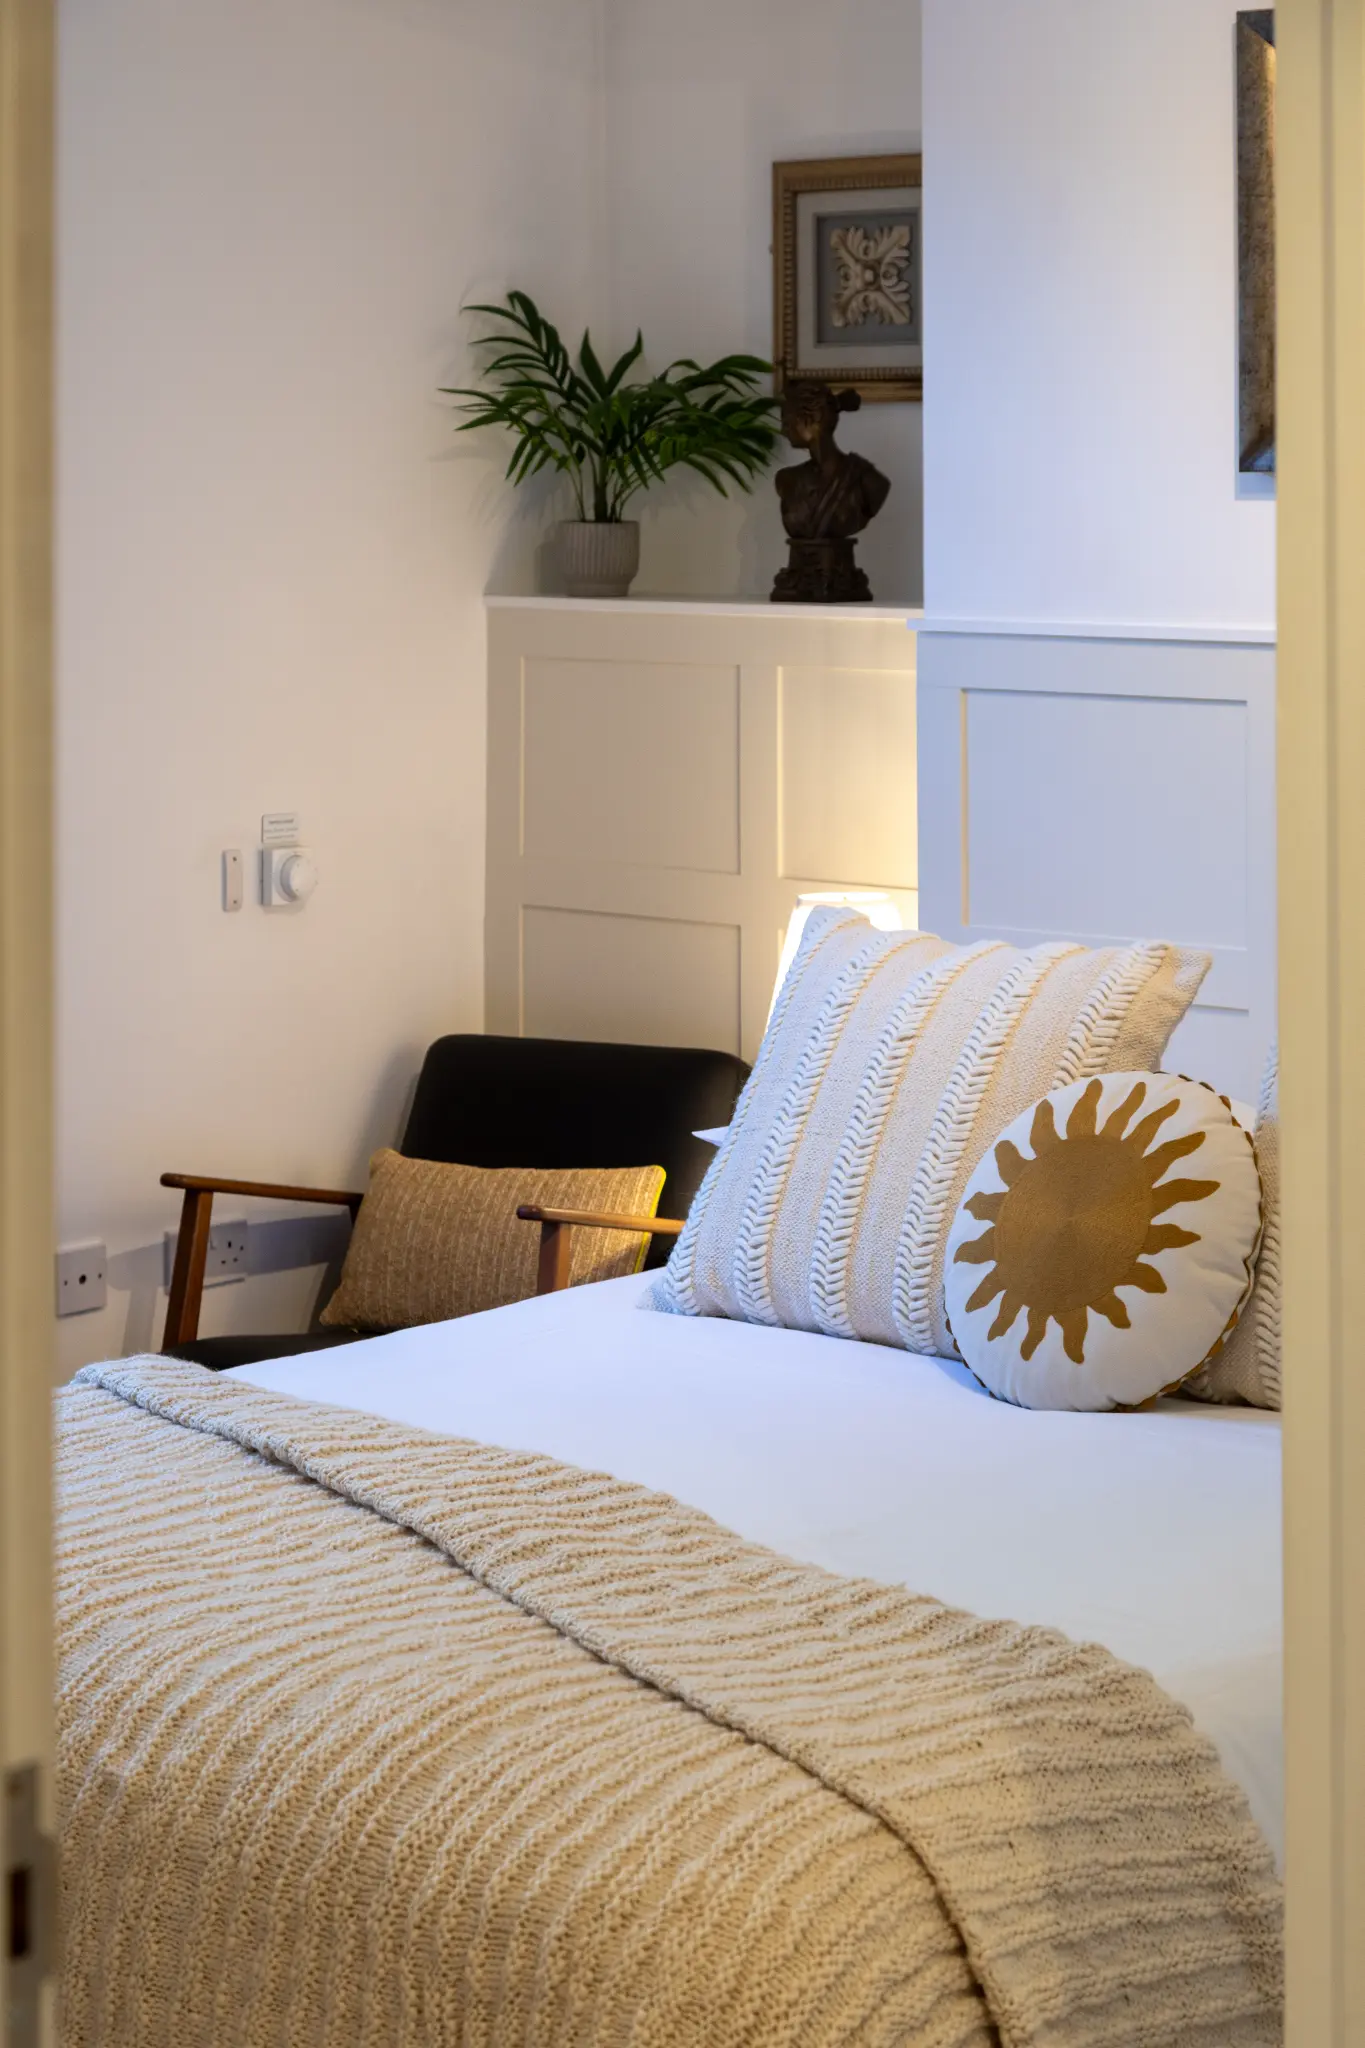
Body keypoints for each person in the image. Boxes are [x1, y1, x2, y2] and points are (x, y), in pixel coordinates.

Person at [771, 382, 890, 602]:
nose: (783, 430)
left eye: (787, 421)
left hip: (840, 580)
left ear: (813, 418)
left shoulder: (868, 481)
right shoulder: (787, 480)